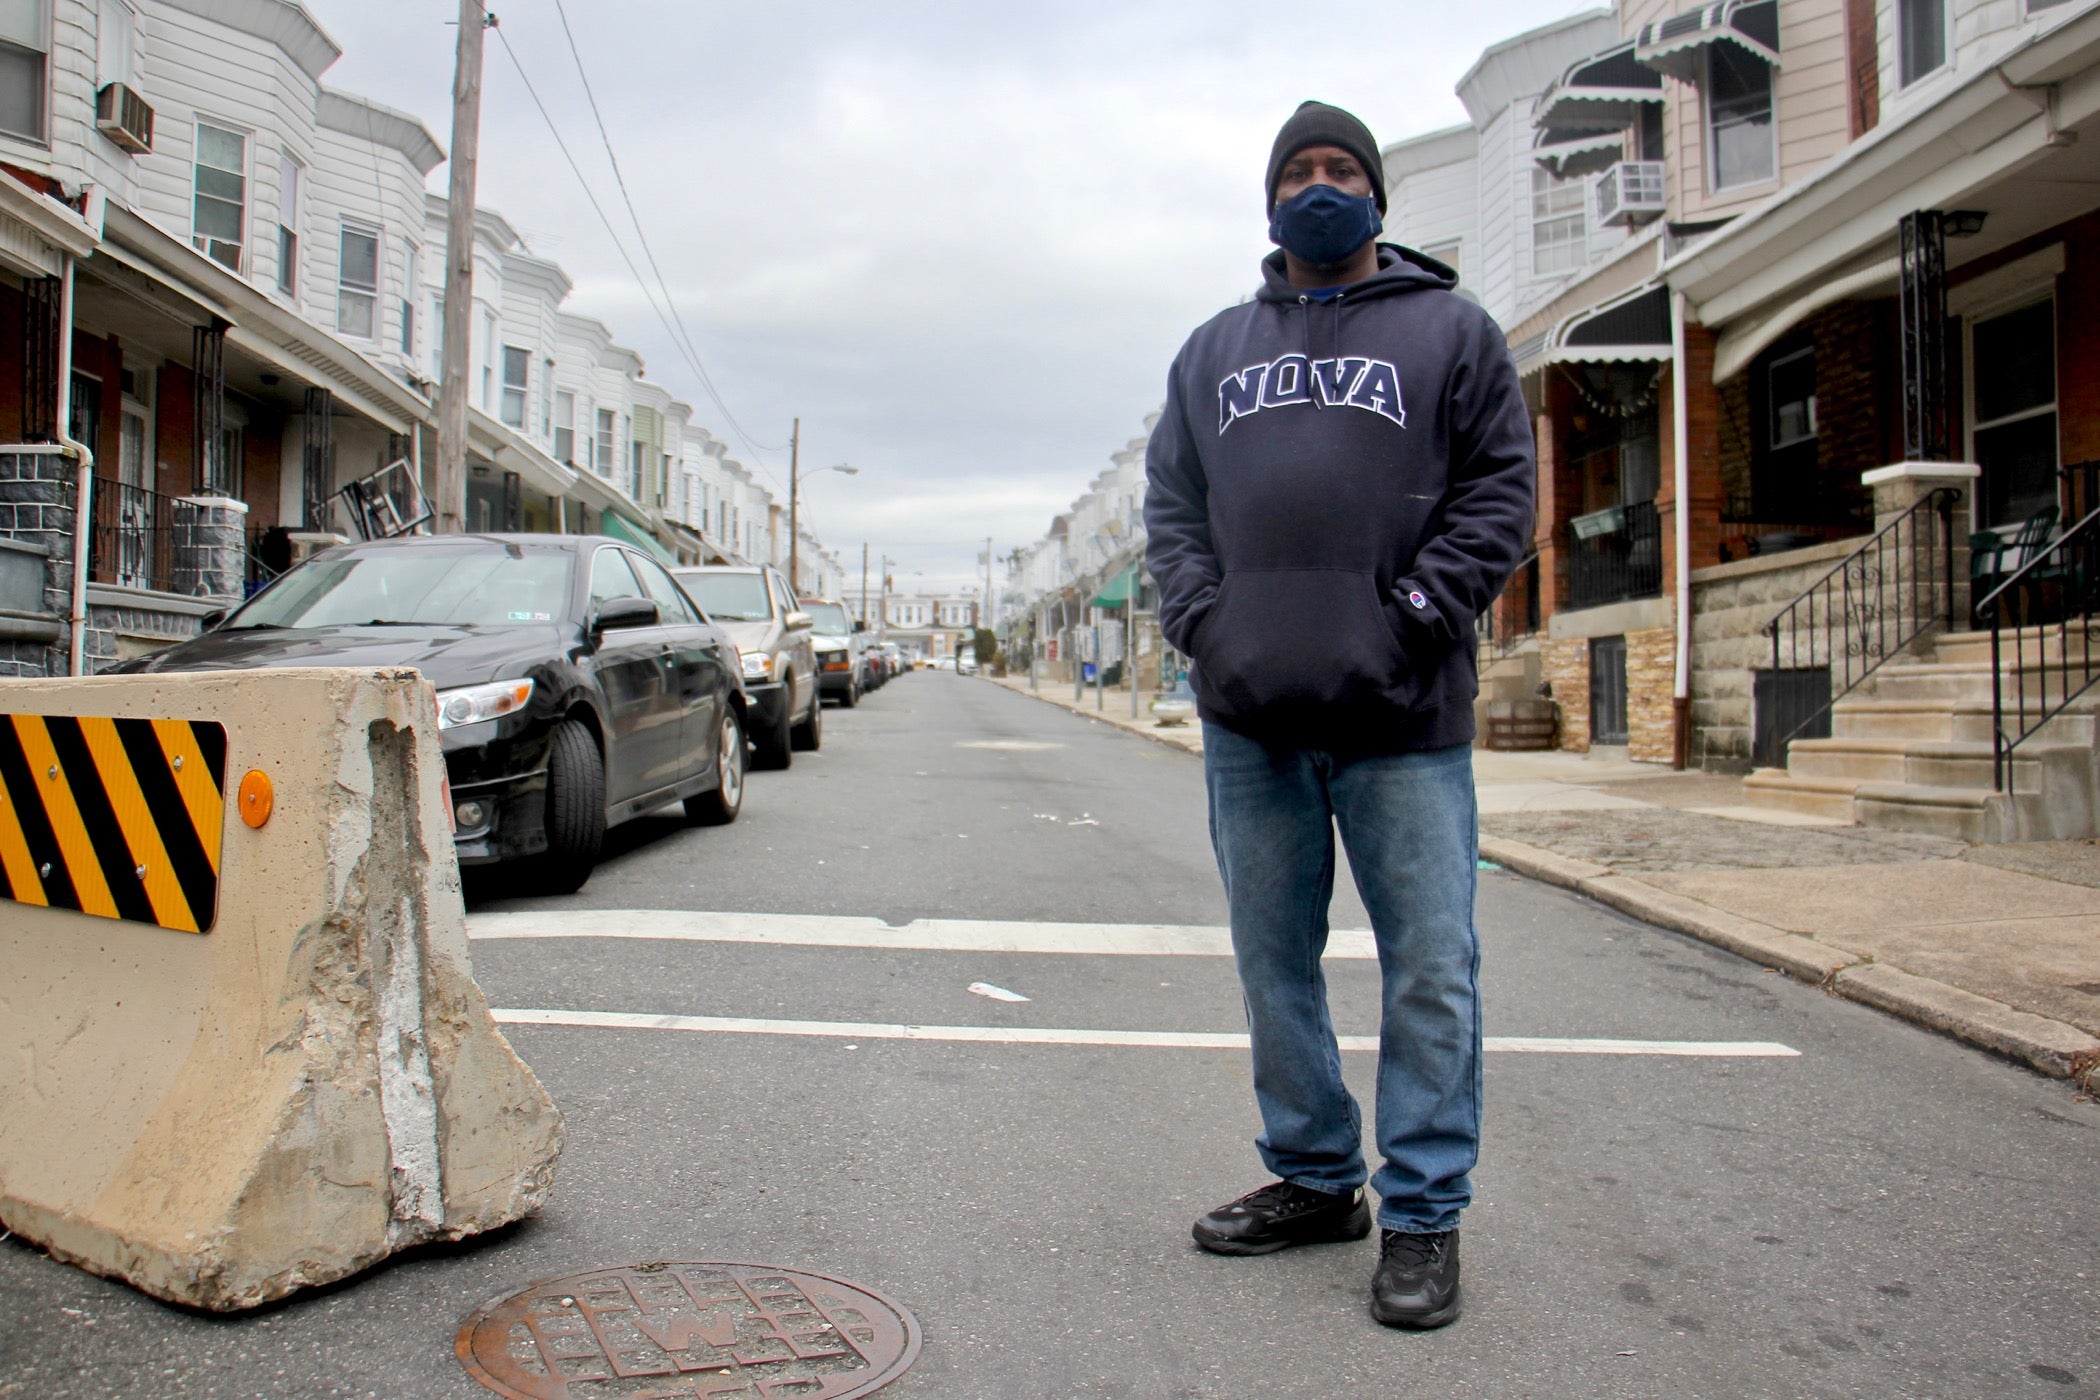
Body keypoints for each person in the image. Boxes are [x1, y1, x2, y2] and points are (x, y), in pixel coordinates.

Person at [1143, 100, 1533, 1329]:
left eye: (1344, 170)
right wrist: (1212, 627)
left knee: (1431, 968)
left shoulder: (1453, 331)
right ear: (1270, 201)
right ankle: (1316, 1177)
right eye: (1300, 171)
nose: (1322, 186)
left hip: (1405, 713)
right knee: (1275, 964)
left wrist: (1414, 614)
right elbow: (1172, 509)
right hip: (1251, 714)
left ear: (1376, 197)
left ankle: (1422, 1210)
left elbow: (1501, 491)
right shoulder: (1212, 351)